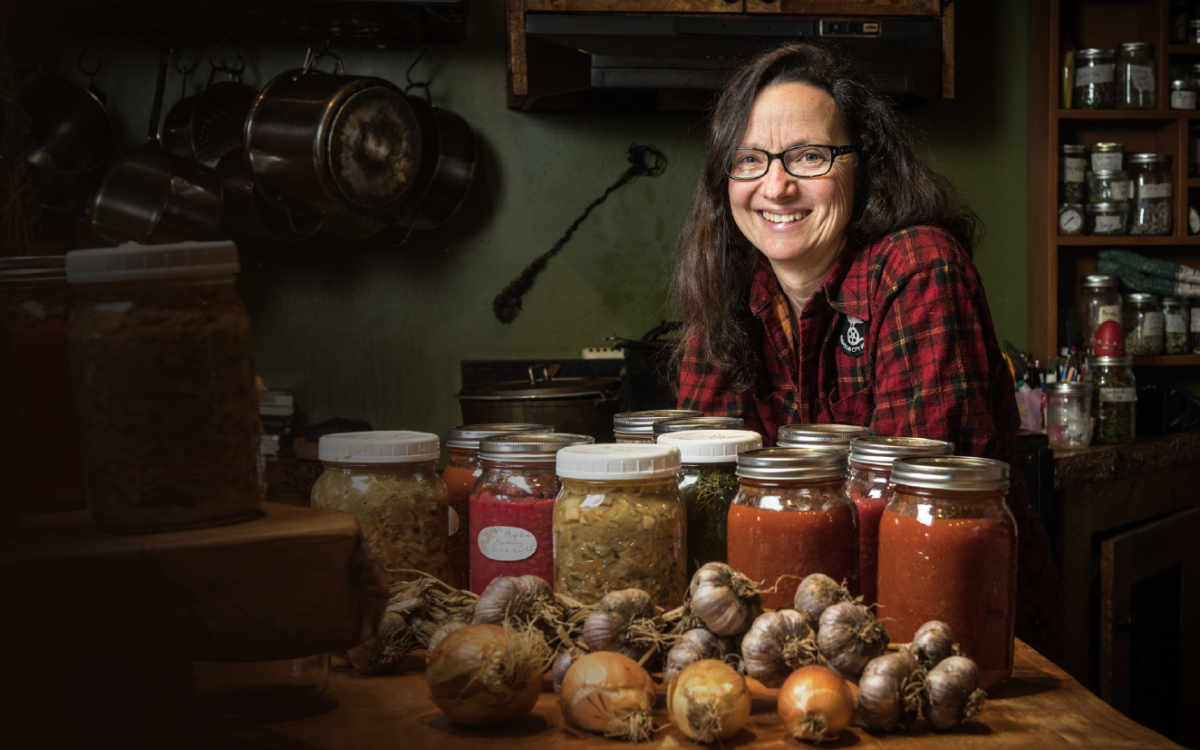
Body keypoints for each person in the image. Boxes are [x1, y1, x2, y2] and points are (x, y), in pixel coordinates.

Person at [674, 41, 1062, 662]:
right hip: (790, 638)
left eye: (809, 156)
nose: (776, 186)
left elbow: (924, 513)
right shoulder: (724, 289)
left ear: (864, 164)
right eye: (748, 160)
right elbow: (702, 496)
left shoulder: (917, 269)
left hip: (956, 639)